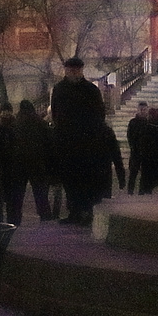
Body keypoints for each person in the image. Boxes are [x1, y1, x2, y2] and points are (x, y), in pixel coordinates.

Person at [51, 56, 107, 226]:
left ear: (81, 70)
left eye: (76, 70)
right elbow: (56, 115)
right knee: (70, 180)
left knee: (87, 179)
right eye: (70, 70)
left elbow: (99, 115)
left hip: (87, 144)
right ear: (66, 70)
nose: (73, 73)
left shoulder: (91, 90)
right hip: (67, 144)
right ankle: (74, 212)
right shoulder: (59, 89)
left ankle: (87, 211)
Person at [10, 100, 53, 222]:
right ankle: (45, 215)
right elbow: (49, 142)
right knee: (40, 192)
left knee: (18, 192)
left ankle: (15, 218)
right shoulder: (40, 122)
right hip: (37, 161)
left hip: (19, 162)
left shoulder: (16, 123)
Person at [126, 101, 151, 194]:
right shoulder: (133, 122)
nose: (143, 112)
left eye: (144, 110)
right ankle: (130, 191)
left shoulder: (148, 123)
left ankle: (142, 191)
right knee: (133, 172)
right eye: (141, 110)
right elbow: (129, 136)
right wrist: (133, 147)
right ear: (138, 110)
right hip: (136, 151)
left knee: (145, 173)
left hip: (145, 151)